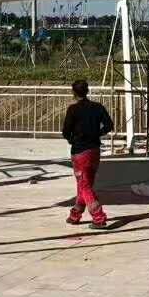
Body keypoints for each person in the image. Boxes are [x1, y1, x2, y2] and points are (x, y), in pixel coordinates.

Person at [62, 78, 113, 228]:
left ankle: (98, 217)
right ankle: (75, 214)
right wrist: (97, 133)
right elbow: (109, 125)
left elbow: (66, 131)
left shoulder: (73, 109)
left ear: (73, 93)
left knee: (84, 185)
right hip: (94, 151)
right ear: (87, 91)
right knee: (85, 183)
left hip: (80, 152)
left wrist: (72, 139)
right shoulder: (98, 107)